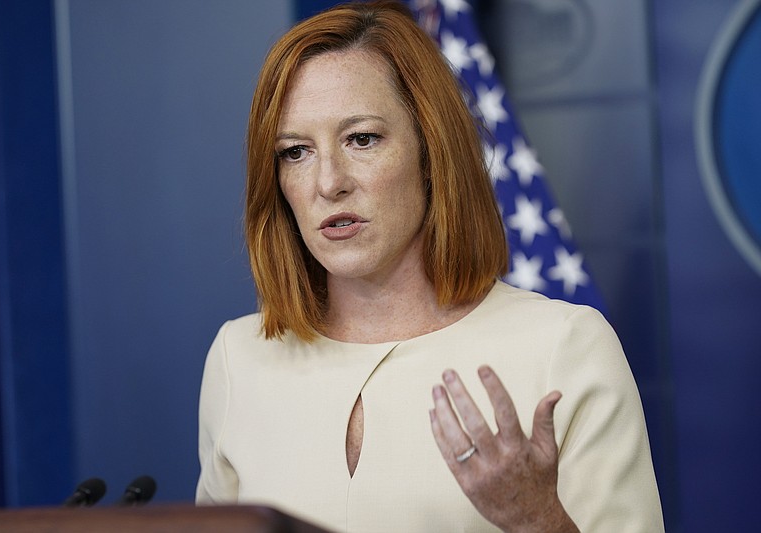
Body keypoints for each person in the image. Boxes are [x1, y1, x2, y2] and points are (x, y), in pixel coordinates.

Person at [196, 1, 664, 532]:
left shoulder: (564, 346)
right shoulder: (238, 360)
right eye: (296, 151)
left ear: (430, 151)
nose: (329, 182)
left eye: (362, 139)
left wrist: (540, 522)